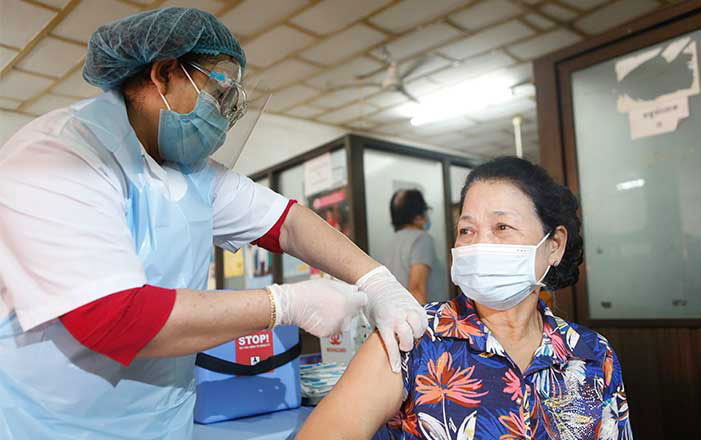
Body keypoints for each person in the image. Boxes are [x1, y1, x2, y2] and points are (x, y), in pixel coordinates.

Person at [0, 8, 426, 439]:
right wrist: (286, 305)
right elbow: (114, 317)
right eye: (219, 92)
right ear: (164, 74)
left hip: (162, 422)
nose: (226, 114)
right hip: (51, 424)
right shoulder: (57, 156)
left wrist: (377, 281)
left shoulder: (191, 173)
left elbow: (287, 223)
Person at [298, 156, 633, 440]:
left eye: (502, 227)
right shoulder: (411, 339)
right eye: (466, 230)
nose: (477, 244)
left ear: (554, 245)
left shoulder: (591, 354)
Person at [383, 189, 438, 304]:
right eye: (425, 210)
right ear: (418, 217)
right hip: (417, 315)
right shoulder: (422, 239)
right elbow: (417, 289)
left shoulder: (391, 242)